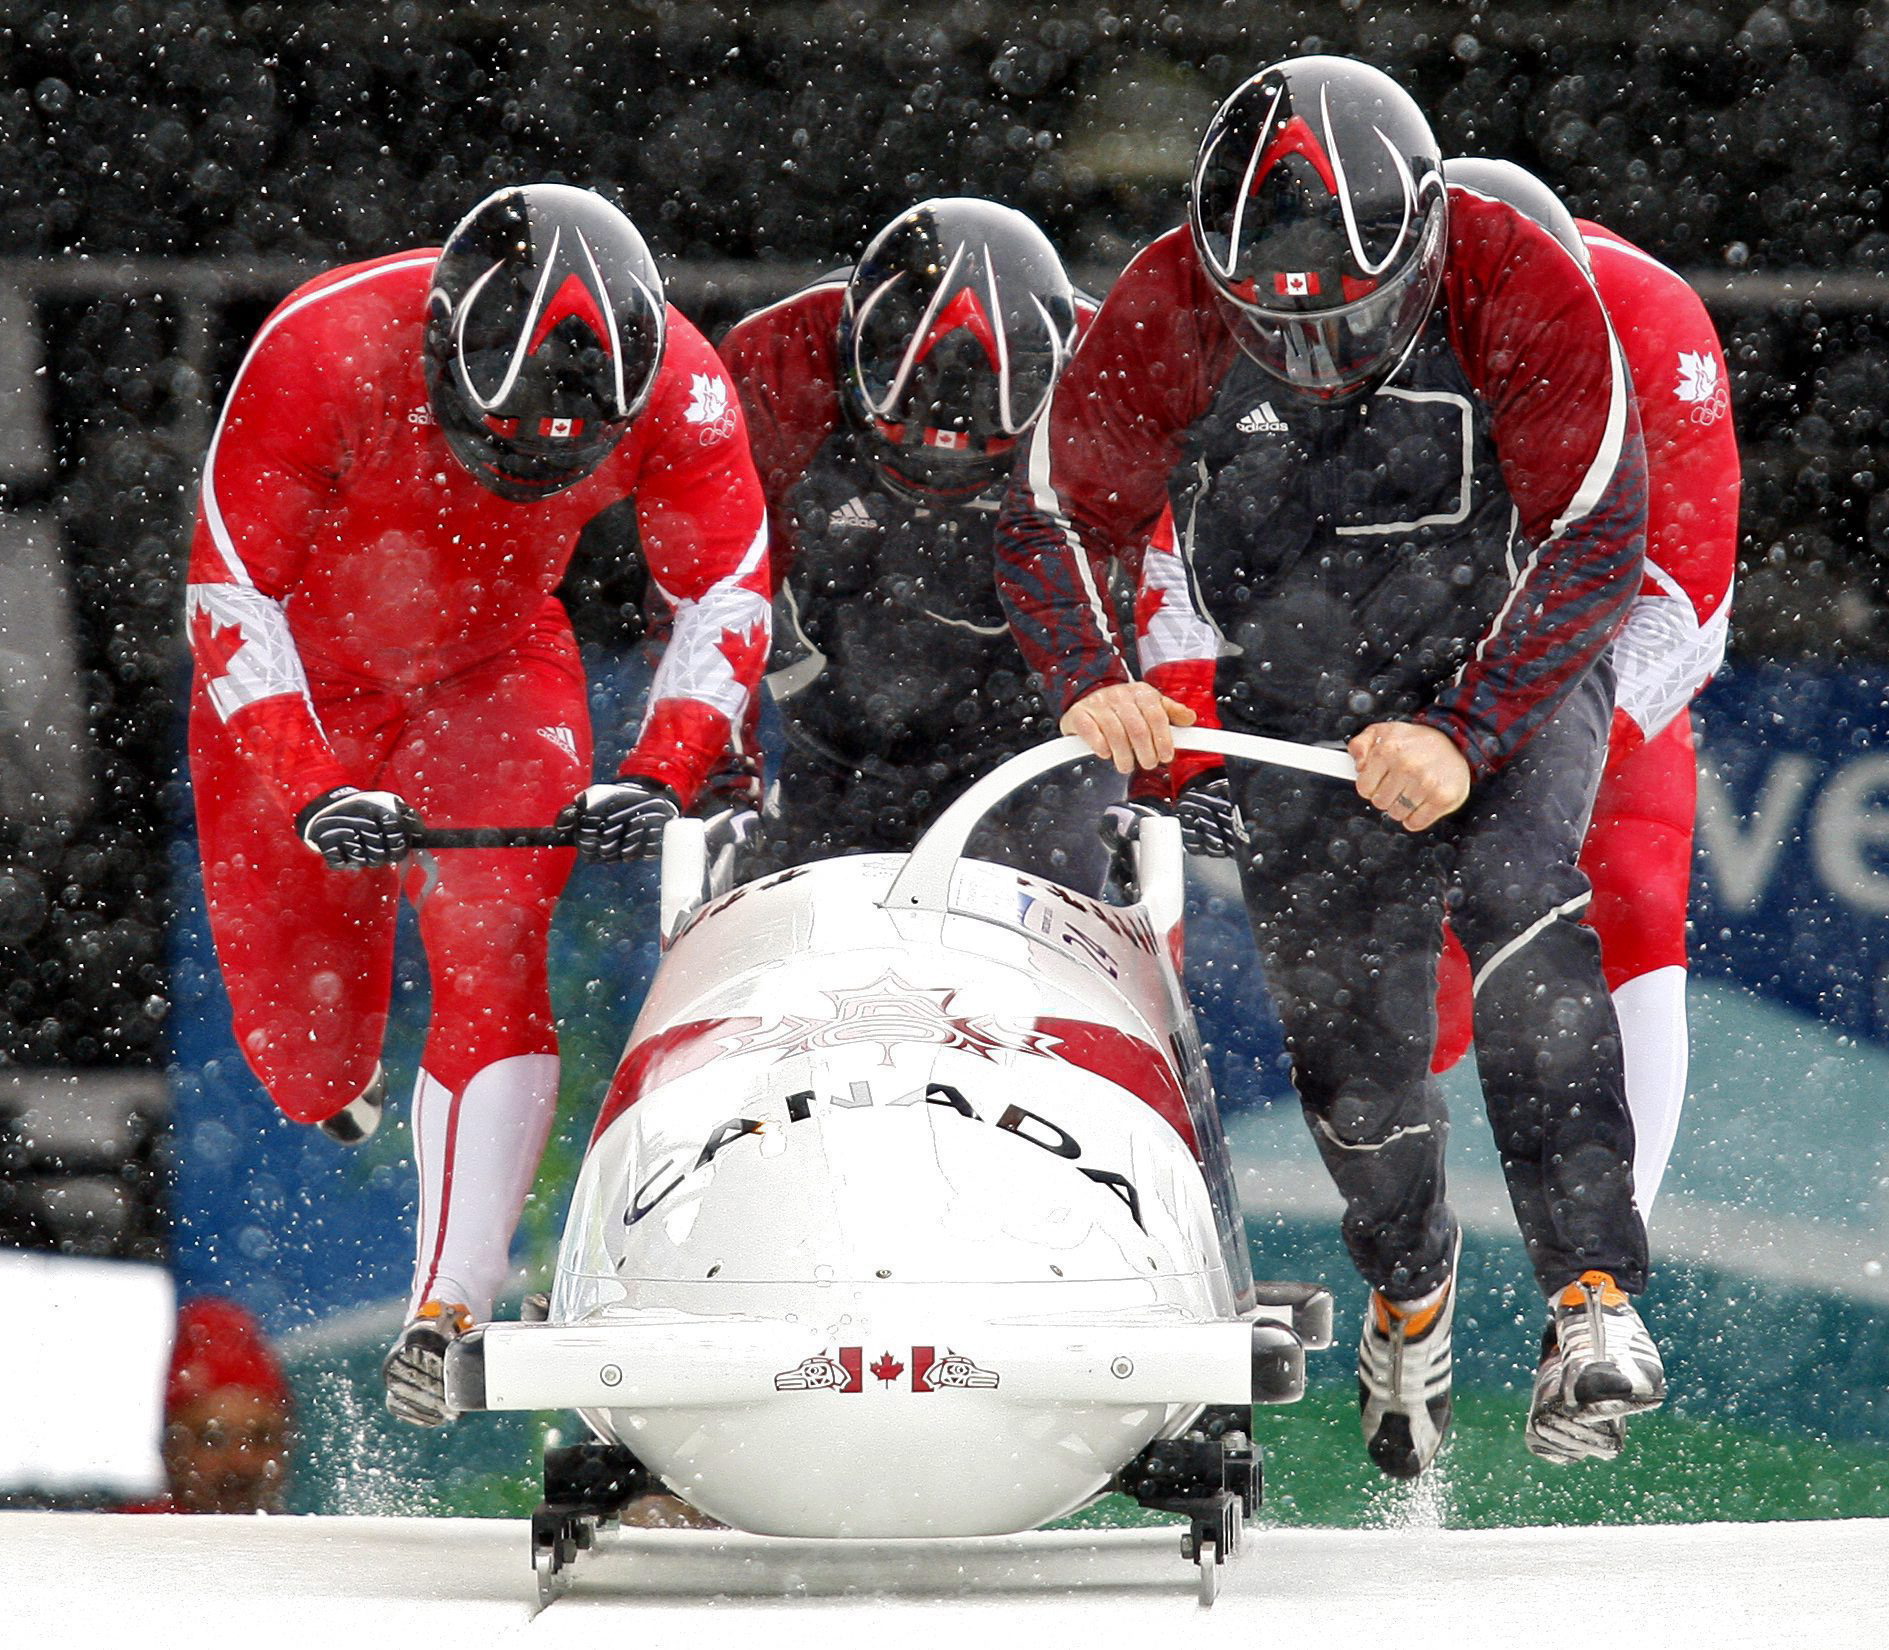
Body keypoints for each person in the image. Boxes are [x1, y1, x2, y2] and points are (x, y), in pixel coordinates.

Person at [995, 55, 1663, 1479]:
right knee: (1354, 1055)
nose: (1316, 352)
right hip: (1299, 686)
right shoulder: (1165, 300)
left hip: (1503, 657)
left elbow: (1599, 530)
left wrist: (1468, 733)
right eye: (1274, 325)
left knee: (1522, 904)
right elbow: (1057, 511)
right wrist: (1097, 680)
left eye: (1352, 319)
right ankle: (1410, 1288)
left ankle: (1591, 1296)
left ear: (1422, 246)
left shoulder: (1518, 280)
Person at [185, 184, 770, 1427]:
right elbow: (232, 598)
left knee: (497, 943)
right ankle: (331, 1081)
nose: (519, 472)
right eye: (497, 437)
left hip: (490, 669)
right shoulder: (322, 349)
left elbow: (726, 593)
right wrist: (310, 779)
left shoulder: (684, 387)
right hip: (305, 680)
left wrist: (665, 768)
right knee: (307, 1064)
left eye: (559, 455)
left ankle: (451, 1309)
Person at [1429, 158, 1740, 1461]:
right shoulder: (1348, 322)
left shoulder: (1652, 323)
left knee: (1627, 900)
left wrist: (1520, 748)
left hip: (1597, 640)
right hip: (1415, 630)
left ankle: (1591, 1313)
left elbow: (1690, 603)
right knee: (1386, 969)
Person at [713, 197, 1208, 892]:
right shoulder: (780, 358)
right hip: (842, 735)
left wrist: (1168, 779)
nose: (939, 462)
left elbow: (1167, 581)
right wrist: (721, 779)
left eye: (982, 445)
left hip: (1053, 735)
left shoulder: (1109, 372)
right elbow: (719, 584)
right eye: (910, 434)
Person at [123, 1298, 294, 1514]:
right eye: (213, 1440)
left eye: (262, 1438)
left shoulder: (305, 1538)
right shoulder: (133, 1538)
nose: (242, 1462)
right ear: (170, 1448)